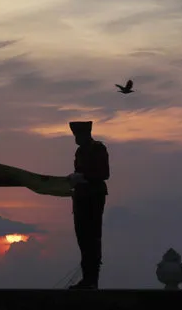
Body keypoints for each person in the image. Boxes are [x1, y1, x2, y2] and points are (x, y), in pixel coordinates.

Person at [66, 121, 109, 290]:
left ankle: (92, 280)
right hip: (80, 199)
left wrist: (84, 177)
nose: (75, 138)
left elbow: (104, 174)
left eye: (77, 135)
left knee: (92, 238)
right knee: (83, 240)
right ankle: (87, 279)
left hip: (93, 198)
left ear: (85, 134)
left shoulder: (98, 149)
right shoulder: (80, 151)